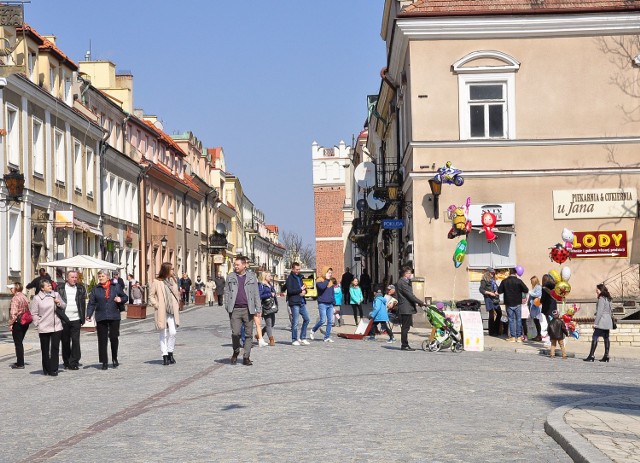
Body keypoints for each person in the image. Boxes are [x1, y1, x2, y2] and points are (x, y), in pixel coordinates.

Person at [86, 269, 128, 370]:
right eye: (99, 277)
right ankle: (104, 361)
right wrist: (89, 314)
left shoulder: (115, 287)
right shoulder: (96, 289)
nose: (100, 278)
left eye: (102, 276)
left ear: (108, 277)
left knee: (114, 337)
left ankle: (114, 358)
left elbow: (125, 297)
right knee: (102, 340)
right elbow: (91, 303)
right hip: (101, 316)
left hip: (114, 315)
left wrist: (120, 299)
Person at [225, 256, 261, 365]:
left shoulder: (251, 277)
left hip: (248, 309)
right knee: (235, 333)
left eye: (238, 264)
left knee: (248, 334)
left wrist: (258, 308)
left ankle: (246, 357)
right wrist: (227, 305)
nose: (236, 266)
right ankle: (236, 351)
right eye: (235, 265)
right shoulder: (230, 277)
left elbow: (256, 293)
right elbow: (226, 292)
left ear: (244, 265)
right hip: (235, 309)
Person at [30, 280, 66, 376]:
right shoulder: (37, 298)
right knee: (45, 349)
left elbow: (63, 305)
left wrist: (58, 303)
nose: (50, 286)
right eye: (48, 285)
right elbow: (34, 313)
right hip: (44, 326)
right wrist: (38, 323)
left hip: (56, 326)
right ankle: (46, 368)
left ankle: (54, 369)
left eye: (50, 285)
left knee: (55, 348)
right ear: (42, 288)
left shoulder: (56, 294)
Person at [148, 262, 181, 366]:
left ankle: (170, 351)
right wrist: (156, 304)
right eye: (172, 269)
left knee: (173, 332)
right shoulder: (157, 282)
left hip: (172, 311)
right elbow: (151, 296)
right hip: (162, 310)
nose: (173, 271)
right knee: (163, 332)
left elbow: (176, 294)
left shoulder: (173, 280)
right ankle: (165, 355)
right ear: (166, 270)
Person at [57, 271, 87, 370]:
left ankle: (74, 361)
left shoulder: (80, 288)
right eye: (72, 277)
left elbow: (82, 304)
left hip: (76, 319)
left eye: (75, 277)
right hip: (64, 319)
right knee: (65, 341)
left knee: (75, 341)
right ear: (67, 278)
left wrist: (83, 317)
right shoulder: (60, 288)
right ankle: (66, 361)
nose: (74, 279)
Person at [395, 266, 426, 351]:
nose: (411, 274)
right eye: (410, 273)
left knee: (406, 327)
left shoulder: (405, 282)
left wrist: (418, 303)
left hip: (407, 307)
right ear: (406, 274)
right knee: (405, 327)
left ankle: (405, 344)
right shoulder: (402, 282)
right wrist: (421, 302)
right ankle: (404, 345)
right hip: (405, 307)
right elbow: (410, 295)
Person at [498, 268, 529, 342]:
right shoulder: (519, 281)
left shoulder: (504, 281)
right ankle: (518, 337)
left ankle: (512, 337)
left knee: (511, 320)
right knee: (518, 320)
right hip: (517, 303)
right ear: (516, 273)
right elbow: (526, 290)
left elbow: (499, 291)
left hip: (508, 303)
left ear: (509, 273)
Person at [585, 284, 614, 362]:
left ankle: (591, 355)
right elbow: (611, 311)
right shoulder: (609, 298)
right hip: (608, 321)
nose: (596, 291)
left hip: (602, 321)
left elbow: (599, 312)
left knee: (595, 336)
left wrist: (595, 323)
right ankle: (606, 355)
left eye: (597, 290)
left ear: (601, 290)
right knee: (606, 338)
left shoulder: (601, 298)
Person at [286, 262, 311, 346]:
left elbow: (303, 288)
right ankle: (294, 339)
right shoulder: (290, 278)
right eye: (296, 269)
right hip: (294, 302)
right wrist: (300, 290)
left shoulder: (300, 277)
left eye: (299, 269)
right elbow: (290, 291)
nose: (298, 271)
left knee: (307, 319)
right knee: (295, 322)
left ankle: (302, 337)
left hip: (302, 301)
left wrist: (305, 291)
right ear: (292, 269)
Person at [8, 283, 31, 369]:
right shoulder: (24, 296)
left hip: (18, 322)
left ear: (16, 289)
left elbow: (13, 313)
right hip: (25, 321)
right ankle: (20, 361)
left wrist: (10, 324)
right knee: (20, 342)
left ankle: (20, 363)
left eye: (11, 288)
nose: (10, 290)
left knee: (18, 343)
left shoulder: (15, 298)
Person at [310, 266, 336, 343]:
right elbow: (322, 288)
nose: (330, 274)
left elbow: (332, 293)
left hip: (330, 304)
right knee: (322, 320)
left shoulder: (330, 282)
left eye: (331, 273)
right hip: (322, 303)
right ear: (325, 272)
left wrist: (333, 302)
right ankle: (313, 330)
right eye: (328, 273)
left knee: (330, 321)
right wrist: (327, 280)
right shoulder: (319, 280)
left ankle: (327, 337)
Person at [258, 271, 279, 346]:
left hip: (272, 305)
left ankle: (260, 333)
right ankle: (271, 339)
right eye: (269, 276)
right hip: (265, 306)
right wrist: (269, 294)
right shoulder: (261, 285)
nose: (271, 277)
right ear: (265, 276)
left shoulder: (269, 284)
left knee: (272, 323)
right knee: (269, 323)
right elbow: (259, 295)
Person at [479, 268, 502, 337]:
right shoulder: (484, 280)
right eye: (491, 273)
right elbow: (481, 289)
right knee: (491, 314)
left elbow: (496, 288)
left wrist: (497, 292)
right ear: (487, 273)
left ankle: (496, 330)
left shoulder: (493, 280)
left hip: (495, 299)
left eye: (493, 273)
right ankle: (492, 332)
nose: (493, 274)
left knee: (499, 313)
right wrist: (489, 293)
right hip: (489, 299)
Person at [528, 276, 543, 341]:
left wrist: (530, 292)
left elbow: (538, 294)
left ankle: (539, 336)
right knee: (536, 321)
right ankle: (538, 335)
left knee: (537, 322)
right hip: (534, 306)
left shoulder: (538, 287)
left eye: (531, 281)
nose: (531, 283)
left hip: (536, 307)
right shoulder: (536, 287)